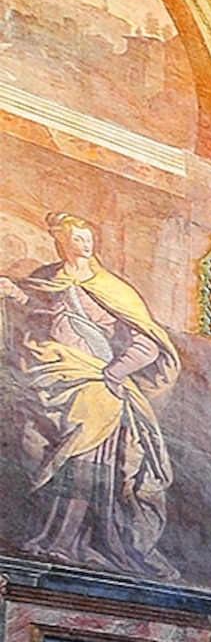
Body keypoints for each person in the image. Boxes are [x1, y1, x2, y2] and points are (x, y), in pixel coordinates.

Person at [8, 212, 179, 578]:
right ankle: (48, 536)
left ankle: (70, 540)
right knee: (34, 443)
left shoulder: (112, 288)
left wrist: (114, 373)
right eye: (77, 238)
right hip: (53, 369)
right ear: (61, 241)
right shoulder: (49, 279)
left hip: (97, 383)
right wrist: (15, 294)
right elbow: (38, 313)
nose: (85, 244)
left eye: (88, 238)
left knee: (86, 458)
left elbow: (147, 342)